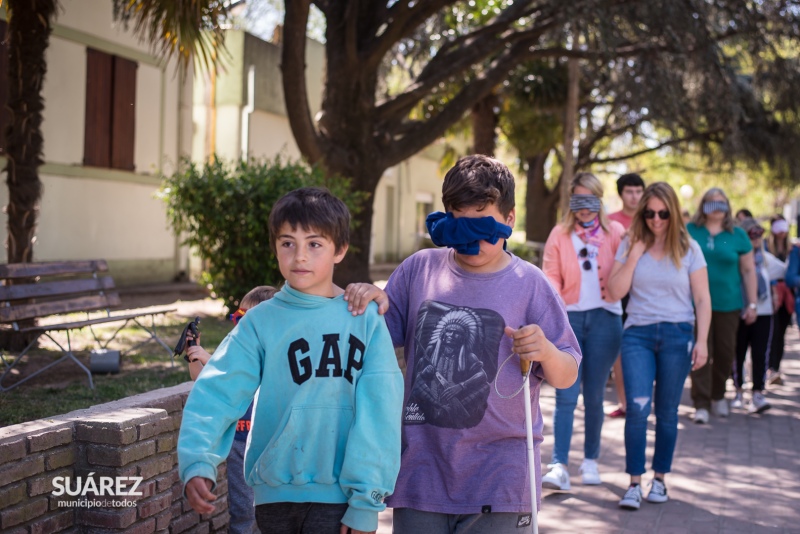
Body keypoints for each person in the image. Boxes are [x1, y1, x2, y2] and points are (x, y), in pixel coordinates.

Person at [345, 155, 581, 534]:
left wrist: (547, 352)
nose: (471, 240)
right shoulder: (418, 269)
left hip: (502, 476)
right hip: (422, 472)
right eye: (459, 222)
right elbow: (370, 343)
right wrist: (369, 300)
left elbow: (567, 373)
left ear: (509, 219)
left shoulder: (530, 283)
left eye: (482, 222)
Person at [178, 187, 404, 534]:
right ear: (276, 248)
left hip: (341, 499)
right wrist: (197, 460)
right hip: (273, 496)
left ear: (339, 249)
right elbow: (217, 390)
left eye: (314, 244)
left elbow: (380, 414)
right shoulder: (259, 322)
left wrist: (366, 501)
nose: (300, 256)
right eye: (288, 243)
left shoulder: (364, 320)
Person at [607, 182, 711, 510]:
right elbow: (614, 291)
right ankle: (634, 483)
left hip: (677, 335)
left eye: (663, 213)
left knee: (667, 412)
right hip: (637, 333)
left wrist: (703, 341)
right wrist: (635, 253)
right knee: (637, 408)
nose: (656, 219)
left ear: (673, 212)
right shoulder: (630, 243)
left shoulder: (689, 247)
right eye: (649, 213)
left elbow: (703, 299)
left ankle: (660, 479)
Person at [541, 172, 625, 490]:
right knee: (565, 394)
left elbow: (625, 268)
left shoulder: (615, 232)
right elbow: (550, 274)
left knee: (593, 396)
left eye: (590, 200)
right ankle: (558, 464)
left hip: (606, 319)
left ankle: (590, 460)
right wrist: (560, 309)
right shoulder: (560, 235)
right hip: (570, 321)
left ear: (599, 200)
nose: (584, 209)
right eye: (578, 200)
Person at [183, 285, 278, 534]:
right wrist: (195, 355)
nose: (240, 326)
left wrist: (210, 358)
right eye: (238, 317)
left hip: (270, 447)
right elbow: (202, 380)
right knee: (243, 509)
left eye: (247, 319)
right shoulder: (234, 358)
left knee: (271, 511)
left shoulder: (275, 356)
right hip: (239, 445)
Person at [687, 188, 757, 424]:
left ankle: (719, 395)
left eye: (720, 203)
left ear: (727, 206)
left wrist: (753, 303)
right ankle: (701, 402)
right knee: (700, 352)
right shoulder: (690, 231)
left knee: (726, 353)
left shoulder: (736, 234)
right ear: (703, 205)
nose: (716, 208)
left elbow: (748, 271)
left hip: (729, 304)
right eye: (710, 203)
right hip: (695, 305)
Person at [732, 218, 784, 413]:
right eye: (751, 234)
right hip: (740, 311)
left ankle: (758, 393)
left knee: (761, 353)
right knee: (738, 352)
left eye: (758, 234)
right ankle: (738, 391)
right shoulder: (736, 258)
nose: (756, 238)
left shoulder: (765, 258)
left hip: (764, 313)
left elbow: (784, 270)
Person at [607, 173, 646, 419]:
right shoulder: (609, 221)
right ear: (621, 194)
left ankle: (643, 402)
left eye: (638, 191)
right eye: (629, 191)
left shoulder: (653, 219)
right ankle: (624, 404)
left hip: (646, 294)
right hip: (618, 293)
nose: (634, 196)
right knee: (620, 350)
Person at [767, 215, 792, 386]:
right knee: (772, 331)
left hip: (787, 295)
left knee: (781, 332)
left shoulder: (793, 249)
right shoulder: (765, 247)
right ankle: (769, 368)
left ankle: (776, 367)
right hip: (771, 293)